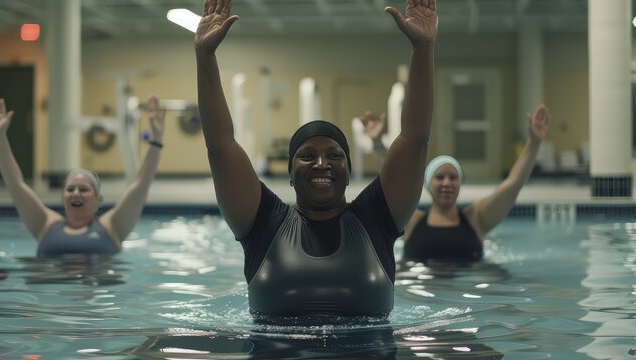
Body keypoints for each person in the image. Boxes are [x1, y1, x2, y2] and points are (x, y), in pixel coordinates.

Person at [194, 0, 437, 319]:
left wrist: (423, 49)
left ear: (348, 173)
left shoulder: (376, 219)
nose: (322, 163)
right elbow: (220, 146)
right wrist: (205, 56)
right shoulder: (263, 223)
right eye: (307, 155)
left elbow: (414, 139)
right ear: (291, 174)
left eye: (334, 155)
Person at [361, 104, 550, 262]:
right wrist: (377, 142)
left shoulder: (477, 218)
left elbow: (513, 183)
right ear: (427, 184)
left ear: (460, 184)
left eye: (453, 177)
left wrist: (534, 142)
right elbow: (392, 181)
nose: (446, 183)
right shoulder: (411, 221)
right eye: (439, 177)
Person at [0, 96, 166, 258]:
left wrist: (156, 139)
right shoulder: (45, 223)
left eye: (83, 189)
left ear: (98, 199)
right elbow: (15, 184)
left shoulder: (111, 226)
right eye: (70, 189)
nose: (76, 193)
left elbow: (140, 184)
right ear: (63, 197)